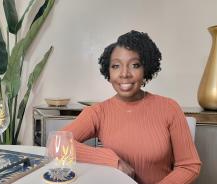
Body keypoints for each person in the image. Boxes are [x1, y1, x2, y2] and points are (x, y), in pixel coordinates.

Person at [63, 30, 201, 184]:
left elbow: (189, 166)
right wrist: (112, 161)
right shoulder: (98, 112)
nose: (124, 74)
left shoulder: (169, 108)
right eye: (116, 66)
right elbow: (56, 143)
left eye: (134, 65)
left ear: (146, 69)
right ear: (108, 72)